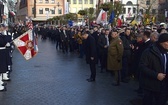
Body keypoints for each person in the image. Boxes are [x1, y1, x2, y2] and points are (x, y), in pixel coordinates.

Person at [139, 33, 168, 105]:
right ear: (162, 42)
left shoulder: (166, 52)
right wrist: (156, 75)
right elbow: (142, 67)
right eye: (167, 42)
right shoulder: (149, 52)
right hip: (151, 86)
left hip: (164, 86)